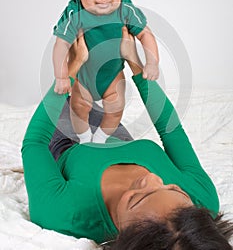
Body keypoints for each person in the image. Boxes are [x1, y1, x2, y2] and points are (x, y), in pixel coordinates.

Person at [22, 28, 233, 249]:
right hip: (118, 137)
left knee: (72, 99)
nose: (152, 178)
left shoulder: (65, 213)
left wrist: (71, 67)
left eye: (136, 198)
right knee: (97, 93)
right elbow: (172, 131)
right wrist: (134, 61)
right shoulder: (203, 199)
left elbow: (34, 142)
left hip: (69, 143)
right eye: (174, 188)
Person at [53, 0, 159, 143]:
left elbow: (145, 34)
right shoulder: (74, 12)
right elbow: (61, 44)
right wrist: (62, 76)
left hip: (113, 74)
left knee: (116, 107)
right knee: (79, 107)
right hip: (84, 76)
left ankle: (100, 138)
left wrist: (152, 62)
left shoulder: (125, 8)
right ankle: (85, 139)